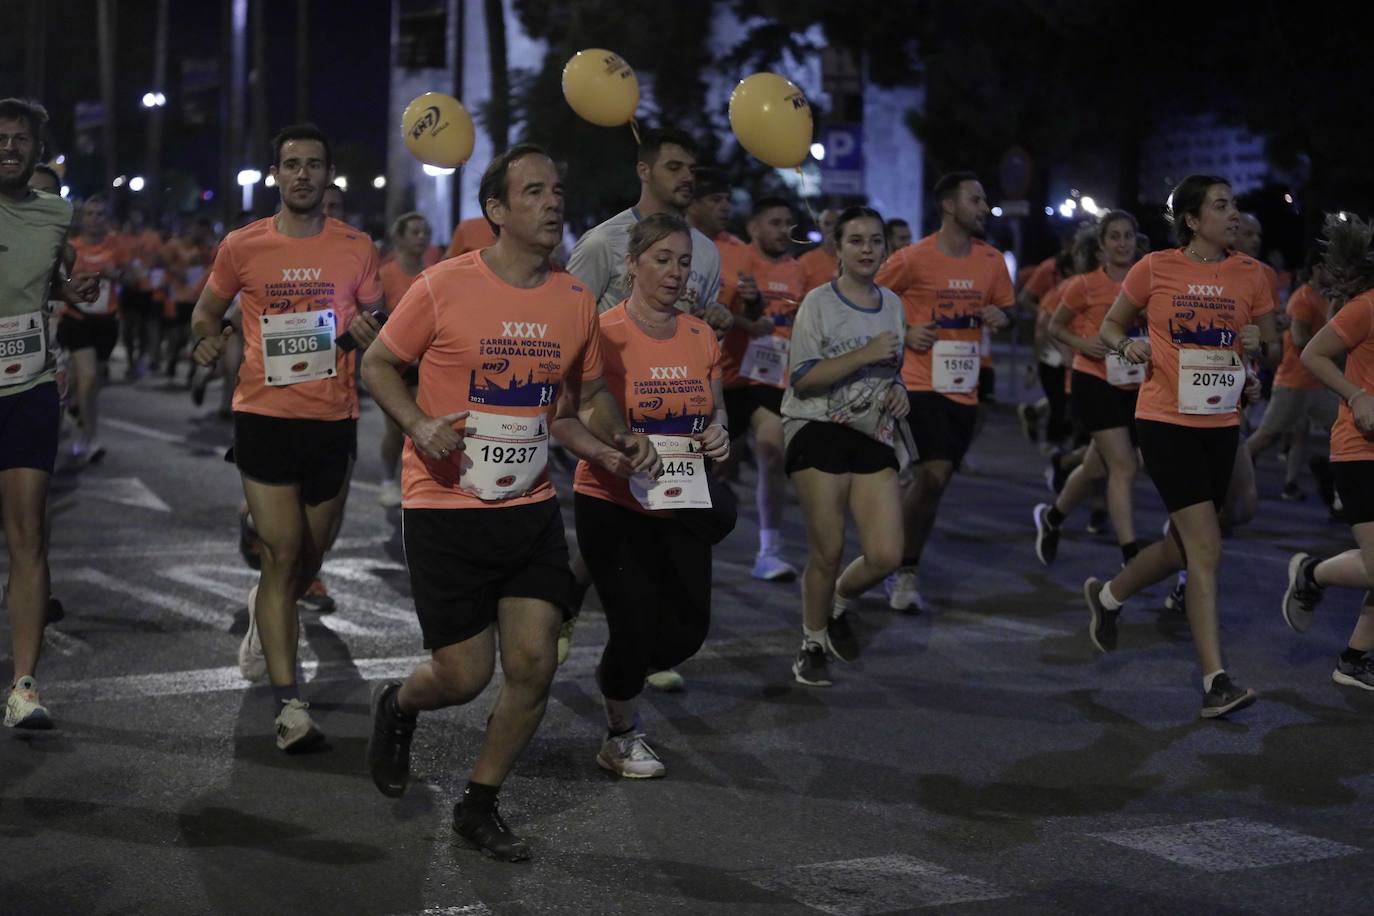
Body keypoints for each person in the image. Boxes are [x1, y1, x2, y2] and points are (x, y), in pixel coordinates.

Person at [361, 144, 660, 859]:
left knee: (534, 665)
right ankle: (398, 705)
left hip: (528, 509)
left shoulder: (574, 300)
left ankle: (480, 801)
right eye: (534, 191)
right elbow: (377, 364)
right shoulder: (442, 286)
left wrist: (615, 442)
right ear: (496, 210)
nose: (553, 201)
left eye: (557, 189)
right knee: (463, 678)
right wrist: (418, 423)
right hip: (444, 505)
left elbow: (578, 401)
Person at [190, 123, 385, 750]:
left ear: (329, 176)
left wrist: (367, 334)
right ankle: (288, 704)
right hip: (264, 417)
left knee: (309, 557)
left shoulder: (356, 246)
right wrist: (205, 337)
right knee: (281, 554)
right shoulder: (242, 246)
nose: (302, 174)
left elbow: (376, 321)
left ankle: (266, 607)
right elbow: (205, 310)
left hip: (331, 420)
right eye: (291, 164)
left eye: (314, 164)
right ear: (275, 174)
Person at [1082, 174, 1280, 718]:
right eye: (1221, 206)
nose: (1233, 214)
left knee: (1182, 544)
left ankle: (1108, 596)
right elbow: (1109, 327)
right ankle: (1215, 681)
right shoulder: (1156, 268)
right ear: (1193, 220)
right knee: (1206, 549)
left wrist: (1257, 354)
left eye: (1234, 204)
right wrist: (1131, 345)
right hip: (1165, 422)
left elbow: (1273, 346)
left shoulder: (1254, 275)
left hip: (1221, 425)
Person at [571, 212, 729, 776]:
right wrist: (610, 449)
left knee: (689, 630)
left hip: (681, 499)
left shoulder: (700, 334)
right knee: (633, 624)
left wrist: (718, 437)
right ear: (631, 264)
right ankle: (621, 732)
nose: (674, 273)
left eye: (683, 262)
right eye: (661, 259)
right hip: (612, 501)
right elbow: (573, 413)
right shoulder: (604, 333)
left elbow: (714, 412)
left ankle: (620, 670)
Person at [1, 98, 98, 729]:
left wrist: (70, 290)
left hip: (28, 387)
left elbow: (45, 280)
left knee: (28, 534)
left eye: (20, 140)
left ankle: (24, 688)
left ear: (39, 150)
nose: (9, 147)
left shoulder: (57, 215)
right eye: (0, 138)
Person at [875, 172, 1013, 612]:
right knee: (932, 474)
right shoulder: (913, 259)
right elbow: (868, 299)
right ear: (949, 206)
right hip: (919, 383)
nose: (984, 206)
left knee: (935, 483)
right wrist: (906, 328)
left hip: (963, 387)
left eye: (985, 198)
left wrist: (998, 316)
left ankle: (901, 558)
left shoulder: (991, 261)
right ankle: (898, 566)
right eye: (976, 199)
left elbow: (1006, 312)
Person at [783, 206, 907, 687]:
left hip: (872, 431)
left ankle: (836, 601)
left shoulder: (893, 303)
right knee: (828, 548)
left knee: (886, 555)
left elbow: (890, 371)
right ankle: (812, 642)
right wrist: (864, 354)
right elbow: (803, 378)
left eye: (875, 240)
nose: (867, 250)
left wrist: (899, 392)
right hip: (816, 426)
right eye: (856, 240)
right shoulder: (818, 302)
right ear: (837, 247)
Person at [1282, 213, 1374, 690]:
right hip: (1360, 449)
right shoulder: (1366, 307)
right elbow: (1313, 352)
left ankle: (1354, 659)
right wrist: (1356, 396)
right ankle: (1313, 574)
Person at [1035, 211, 1144, 567]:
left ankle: (1052, 518)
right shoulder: (1083, 285)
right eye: (1114, 236)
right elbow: (1055, 326)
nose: (1122, 243)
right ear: (1101, 246)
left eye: (1128, 236)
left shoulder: (1147, 283)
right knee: (1124, 466)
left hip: (1133, 383)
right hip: (1093, 380)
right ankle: (1131, 553)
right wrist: (1083, 343)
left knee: (1097, 467)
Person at [719, 196, 809, 581]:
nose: (783, 230)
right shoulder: (737, 262)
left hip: (773, 378)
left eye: (788, 222)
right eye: (774, 222)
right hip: (732, 377)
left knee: (773, 452)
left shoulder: (799, 270)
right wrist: (746, 319)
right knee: (716, 468)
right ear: (753, 227)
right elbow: (717, 314)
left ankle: (769, 551)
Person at [567, 127, 721, 316]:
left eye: (692, 170)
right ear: (644, 171)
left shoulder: (708, 250)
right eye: (674, 167)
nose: (687, 177)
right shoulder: (603, 241)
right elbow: (567, 318)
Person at [1245, 256, 1337, 500]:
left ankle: (1291, 485)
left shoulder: (1324, 297)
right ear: (1317, 268)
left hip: (1316, 383)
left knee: (1316, 433)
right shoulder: (1303, 298)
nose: (1334, 271)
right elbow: (1298, 340)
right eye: (1330, 266)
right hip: (1294, 382)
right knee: (1266, 436)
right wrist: (1328, 351)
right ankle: (1230, 467)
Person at [59, 194, 127, 463]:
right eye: (89, 214)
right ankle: (90, 437)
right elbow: (57, 280)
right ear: (81, 218)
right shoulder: (69, 248)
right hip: (76, 319)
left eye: (100, 214)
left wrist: (118, 274)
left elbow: (134, 274)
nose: (94, 219)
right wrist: (71, 280)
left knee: (91, 383)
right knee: (87, 379)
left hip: (106, 321)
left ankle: (77, 410)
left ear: (106, 219)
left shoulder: (116, 246)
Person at [376, 211, 432, 508]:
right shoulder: (386, 275)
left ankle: (417, 483)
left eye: (425, 231)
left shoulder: (436, 273)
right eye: (415, 232)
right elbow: (376, 321)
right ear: (399, 237)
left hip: (429, 367)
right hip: (396, 367)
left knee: (425, 427)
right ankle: (387, 480)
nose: (421, 237)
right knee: (396, 429)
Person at [117, 208, 163, 379]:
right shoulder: (121, 240)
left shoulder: (152, 238)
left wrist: (149, 268)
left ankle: (140, 358)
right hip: (128, 288)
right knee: (128, 327)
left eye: (138, 219)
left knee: (143, 327)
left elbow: (159, 260)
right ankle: (130, 361)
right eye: (132, 219)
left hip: (146, 289)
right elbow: (117, 262)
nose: (135, 222)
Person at [797, 207, 839, 293]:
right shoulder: (805, 261)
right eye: (827, 224)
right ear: (819, 227)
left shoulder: (853, 261)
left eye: (837, 224)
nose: (832, 229)